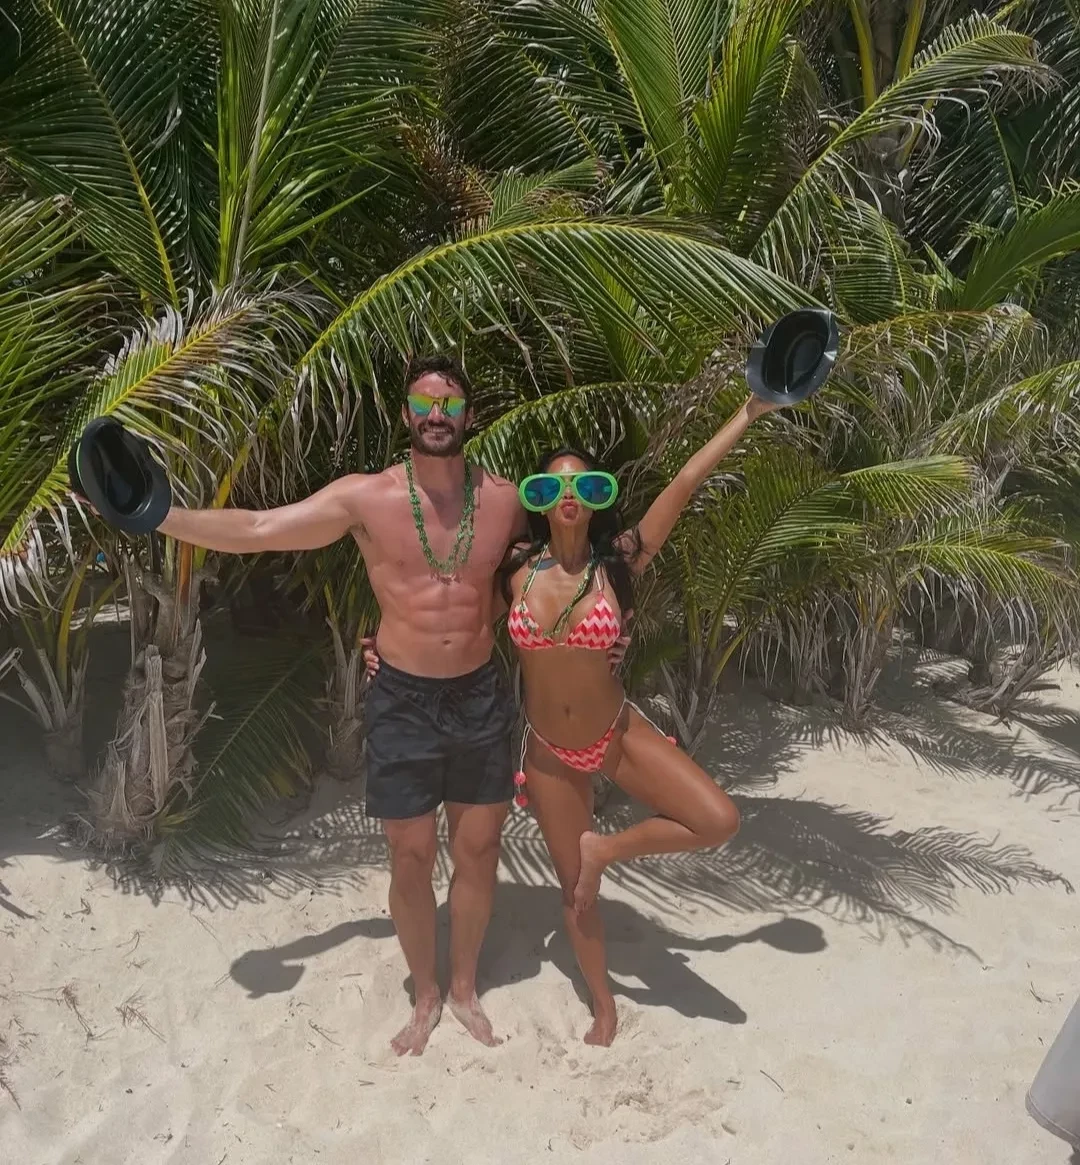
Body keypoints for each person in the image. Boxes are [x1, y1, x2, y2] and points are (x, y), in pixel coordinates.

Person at [134, 354, 626, 1057]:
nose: (436, 415)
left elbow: (567, 564)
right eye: (424, 403)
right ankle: (424, 993)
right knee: (410, 855)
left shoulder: (507, 498)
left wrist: (610, 634)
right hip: (402, 697)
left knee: (479, 849)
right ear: (405, 414)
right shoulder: (365, 498)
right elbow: (261, 527)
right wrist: (158, 514)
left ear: (469, 416)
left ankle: (463, 987)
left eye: (449, 404)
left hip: (480, 695)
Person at [365, 391, 782, 1045]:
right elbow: (442, 612)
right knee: (576, 890)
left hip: (616, 734)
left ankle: (604, 849)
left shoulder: (619, 561)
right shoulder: (513, 571)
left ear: (596, 499)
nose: (570, 495)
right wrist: (379, 649)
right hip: (549, 753)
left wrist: (747, 414)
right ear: (536, 499)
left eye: (585, 485)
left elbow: (683, 483)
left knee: (717, 819)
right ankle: (604, 1005)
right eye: (553, 485)